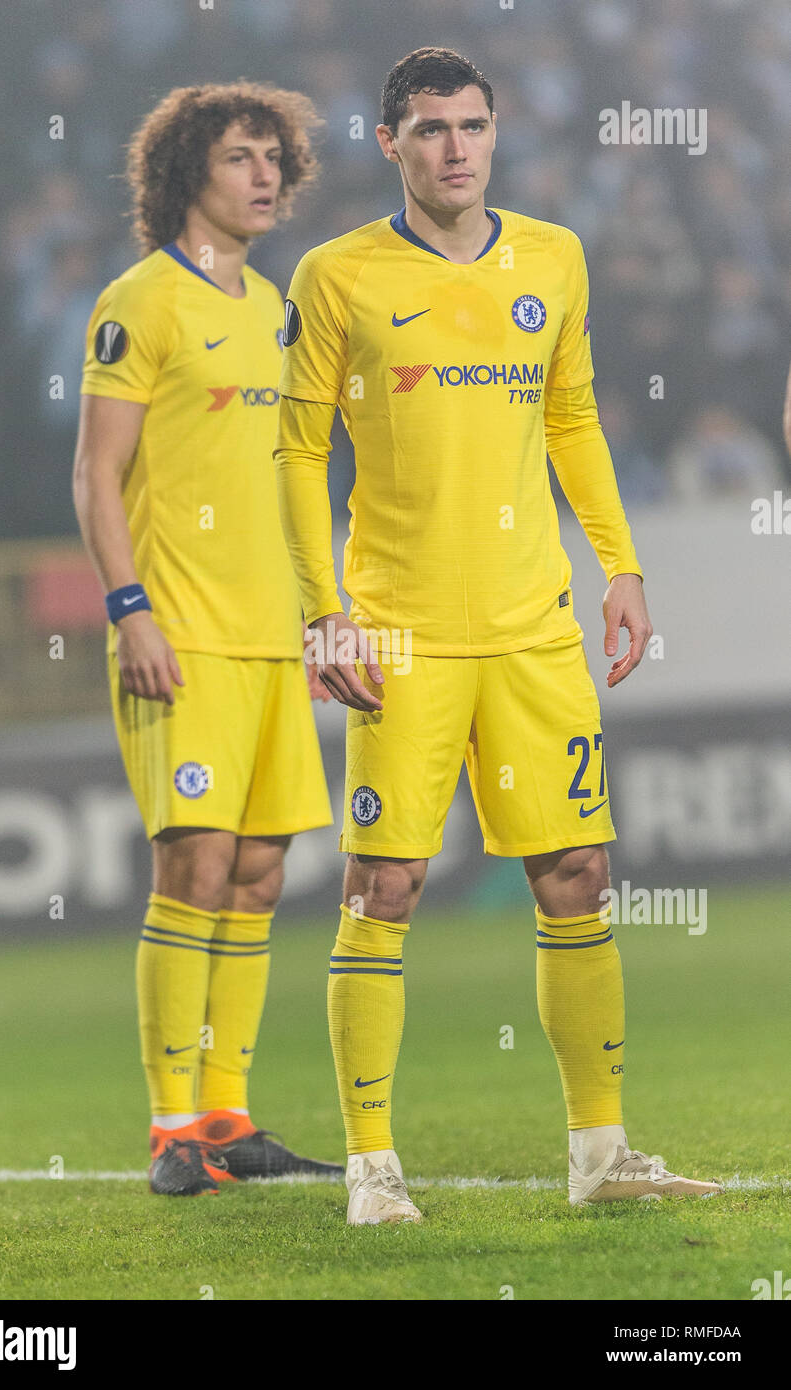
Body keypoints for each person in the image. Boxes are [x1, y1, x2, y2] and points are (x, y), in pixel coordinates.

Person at [275, 47, 723, 1224]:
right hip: (400, 631)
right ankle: (371, 1168)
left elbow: (569, 413)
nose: (455, 148)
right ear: (388, 143)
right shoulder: (335, 275)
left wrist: (619, 566)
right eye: (428, 129)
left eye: (472, 125)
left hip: (532, 626)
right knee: (385, 883)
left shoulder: (553, 258)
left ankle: (600, 1152)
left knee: (574, 876)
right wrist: (321, 612)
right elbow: (294, 451)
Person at [73, 82, 340, 1196]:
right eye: (242, 157)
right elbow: (95, 472)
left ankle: (225, 1114)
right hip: (176, 634)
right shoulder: (139, 302)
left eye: (275, 157)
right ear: (191, 173)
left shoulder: (272, 304)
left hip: (269, 635)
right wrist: (129, 608)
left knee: (261, 870)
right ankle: (170, 1126)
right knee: (192, 860)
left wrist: (318, 613)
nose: (267, 175)